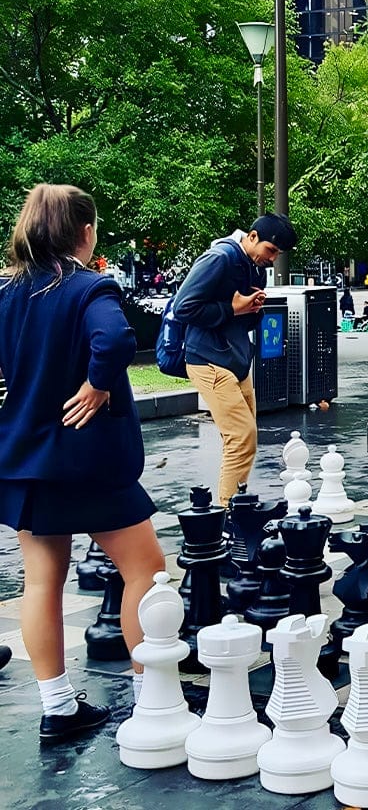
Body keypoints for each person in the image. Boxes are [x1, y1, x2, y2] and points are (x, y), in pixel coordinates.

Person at [0, 184, 164, 741]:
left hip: (26, 458)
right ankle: (153, 694)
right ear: (86, 232)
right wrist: (96, 386)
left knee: (42, 581)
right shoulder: (91, 286)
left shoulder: (9, 292)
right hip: (89, 460)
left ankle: (59, 708)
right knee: (147, 572)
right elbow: (115, 339)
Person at [173, 212, 298, 506]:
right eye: (271, 250)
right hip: (208, 359)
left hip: (237, 360)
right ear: (252, 237)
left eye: (278, 254)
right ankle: (228, 514)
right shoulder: (220, 258)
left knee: (245, 441)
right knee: (241, 438)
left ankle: (235, 508)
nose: (272, 259)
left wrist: (253, 309)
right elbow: (183, 308)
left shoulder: (256, 269)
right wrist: (232, 309)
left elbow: (243, 319)